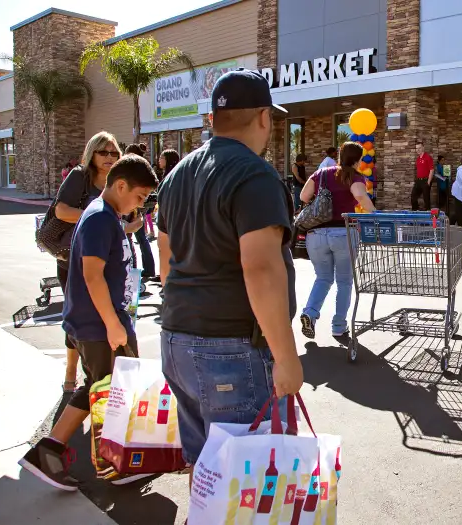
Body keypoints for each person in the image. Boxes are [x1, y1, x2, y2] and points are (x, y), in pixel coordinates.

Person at [156, 70, 303, 491]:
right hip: (232, 348)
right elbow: (261, 268)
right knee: (252, 481)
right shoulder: (254, 175)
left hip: (177, 339)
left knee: (207, 467)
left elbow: (166, 263)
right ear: (262, 117)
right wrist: (286, 356)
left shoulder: (177, 174)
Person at [19, 154, 159, 490]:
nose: (140, 204)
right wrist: (112, 324)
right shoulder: (99, 218)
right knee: (111, 390)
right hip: (99, 325)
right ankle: (113, 464)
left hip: (102, 322)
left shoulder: (106, 215)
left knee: (100, 386)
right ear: (120, 185)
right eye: (139, 196)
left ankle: (50, 451)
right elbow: (92, 276)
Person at [53, 132, 123, 393]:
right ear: (92, 153)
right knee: (79, 320)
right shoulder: (79, 177)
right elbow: (61, 210)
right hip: (73, 256)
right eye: (103, 152)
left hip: (108, 256)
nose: (109, 157)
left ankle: (100, 383)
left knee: (106, 316)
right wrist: (95, 215)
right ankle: (72, 371)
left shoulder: (119, 180)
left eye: (114, 153)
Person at [299, 142, 376, 338]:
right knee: (344, 281)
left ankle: (310, 313)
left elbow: (303, 196)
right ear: (357, 159)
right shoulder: (353, 176)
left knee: (323, 278)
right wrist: (377, 215)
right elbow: (360, 195)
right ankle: (338, 326)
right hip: (342, 233)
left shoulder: (322, 173)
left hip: (315, 235)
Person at [123, 144, 154, 280]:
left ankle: (134, 274)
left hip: (133, 209)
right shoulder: (145, 167)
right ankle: (147, 269)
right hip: (138, 209)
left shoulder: (132, 169)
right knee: (140, 239)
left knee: (131, 239)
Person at [411, 141, 434, 211]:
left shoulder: (428, 157)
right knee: (413, 197)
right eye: (416, 148)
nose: (418, 150)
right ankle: (415, 212)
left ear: (423, 148)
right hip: (418, 180)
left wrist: (428, 182)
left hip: (425, 180)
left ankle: (428, 215)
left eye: (419, 148)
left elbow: (432, 170)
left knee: (426, 199)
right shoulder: (418, 159)